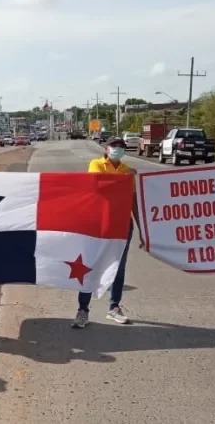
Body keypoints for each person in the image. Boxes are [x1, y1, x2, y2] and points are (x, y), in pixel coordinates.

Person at [73, 137, 144, 329]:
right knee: (89, 265)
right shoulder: (96, 164)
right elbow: (98, 184)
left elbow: (134, 201)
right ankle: (83, 310)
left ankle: (114, 307)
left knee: (118, 268)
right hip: (98, 224)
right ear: (106, 149)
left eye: (121, 147)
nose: (118, 150)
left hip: (121, 225)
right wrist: (125, 177)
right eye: (114, 147)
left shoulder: (126, 170)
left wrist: (142, 229)